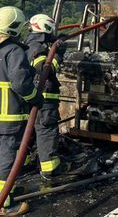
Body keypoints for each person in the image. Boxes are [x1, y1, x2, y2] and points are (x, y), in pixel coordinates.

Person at [0, 6, 43, 216]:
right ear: (15, 27)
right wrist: (34, 97)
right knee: (8, 157)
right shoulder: (14, 51)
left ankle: (6, 190)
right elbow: (20, 83)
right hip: (10, 114)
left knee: (0, 155)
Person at [24, 14, 70, 180]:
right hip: (44, 98)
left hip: (31, 97)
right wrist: (58, 54)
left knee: (28, 131)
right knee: (46, 130)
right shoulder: (38, 48)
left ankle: (24, 162)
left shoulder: (28, 43)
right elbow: (45, 71)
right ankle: (50, 167)